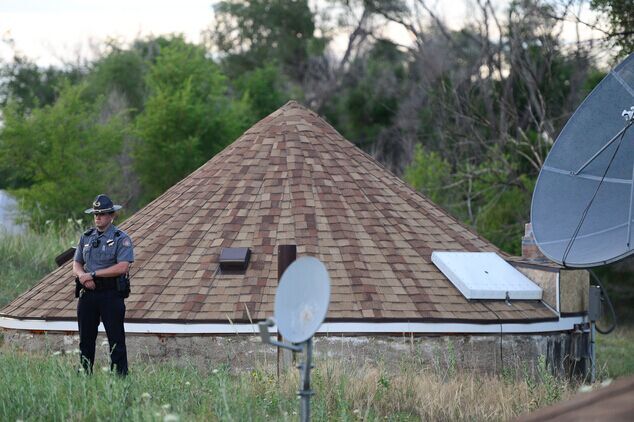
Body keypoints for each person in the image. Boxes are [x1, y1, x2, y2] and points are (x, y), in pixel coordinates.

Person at [73, 194, 134, 376]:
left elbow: (123, 266)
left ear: (112, 215)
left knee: (116, 340)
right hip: (88, 293)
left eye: (103, 214)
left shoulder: (120, 238)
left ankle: (120, 378)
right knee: (85, 340)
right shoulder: (86, 237)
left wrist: (93, 274)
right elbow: (76, 263)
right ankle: (84, 375)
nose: (98, 217)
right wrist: (83, 275)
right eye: (96, 214)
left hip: (110, 293)